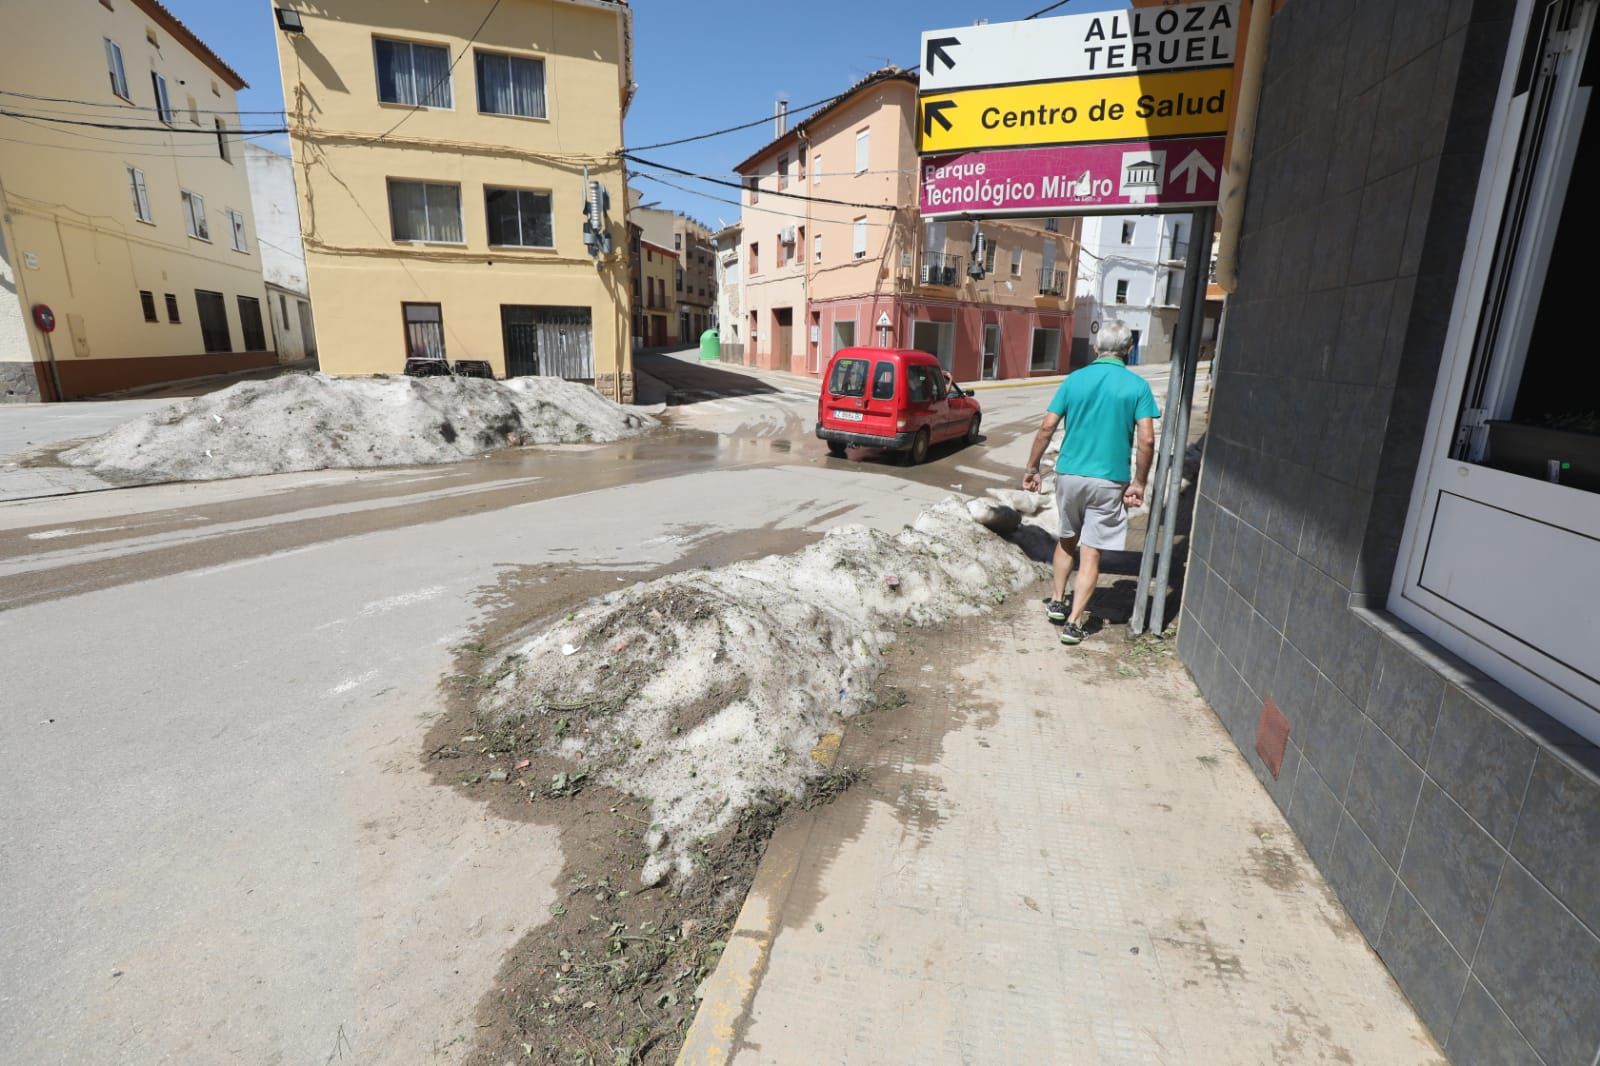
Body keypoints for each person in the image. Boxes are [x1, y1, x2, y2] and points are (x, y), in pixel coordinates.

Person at [1022, 320, 1159, 646]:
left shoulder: (1075, 380)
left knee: (1067, 540)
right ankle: (1074, 623)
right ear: (1128, 350)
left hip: (1069, 475)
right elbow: (1147, 441)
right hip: (1109, 480)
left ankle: (1057, 601)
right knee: (1092, 553)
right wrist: (1139, 482)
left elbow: (1046, 427)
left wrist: (1032, 467)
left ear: (1096, 348)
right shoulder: (1137, 387)